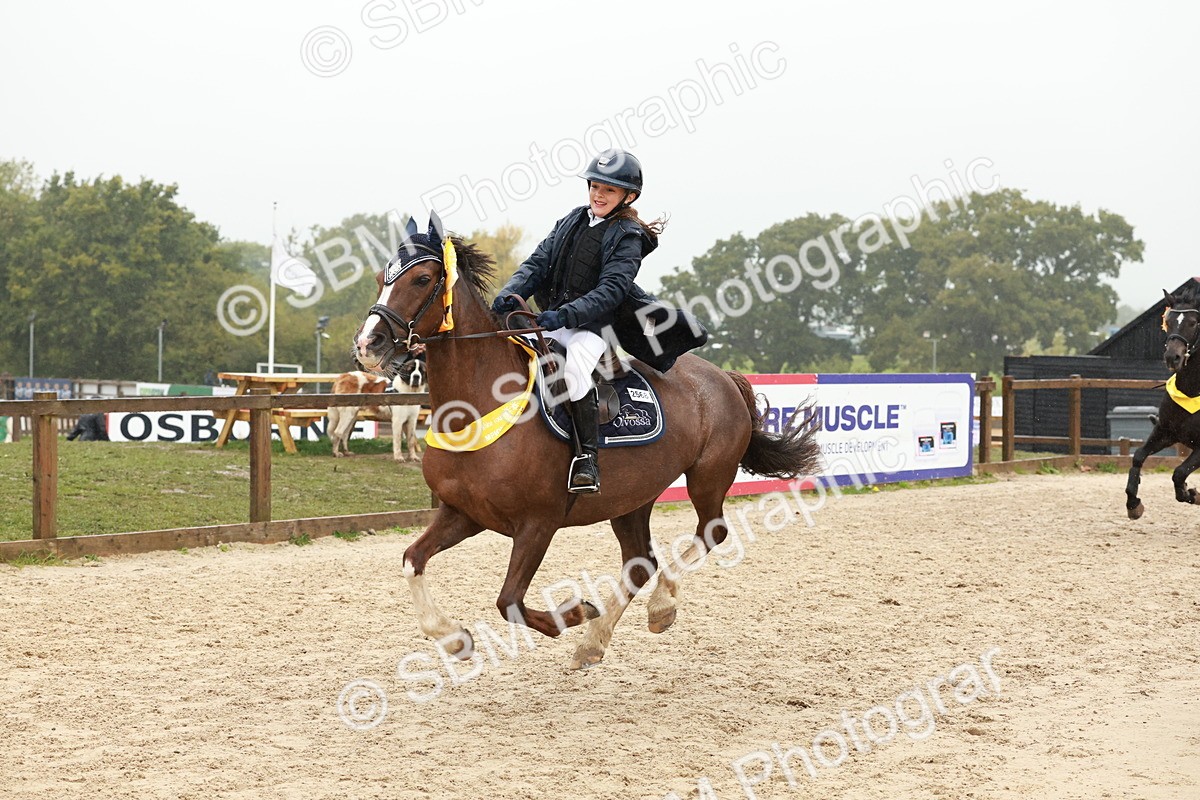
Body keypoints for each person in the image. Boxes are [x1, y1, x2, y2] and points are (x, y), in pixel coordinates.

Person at [492, 149, 678, 494]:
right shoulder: (572, 220)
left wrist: (565, 315)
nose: (598, 194)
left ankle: (587, 459)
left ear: (628, 196)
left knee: (575, 371)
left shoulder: (627, 236)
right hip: (551, 319)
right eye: (594, 185)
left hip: (593, 328)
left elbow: (612, 289)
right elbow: (536, 264)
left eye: (608, 189)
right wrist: (509, 293)